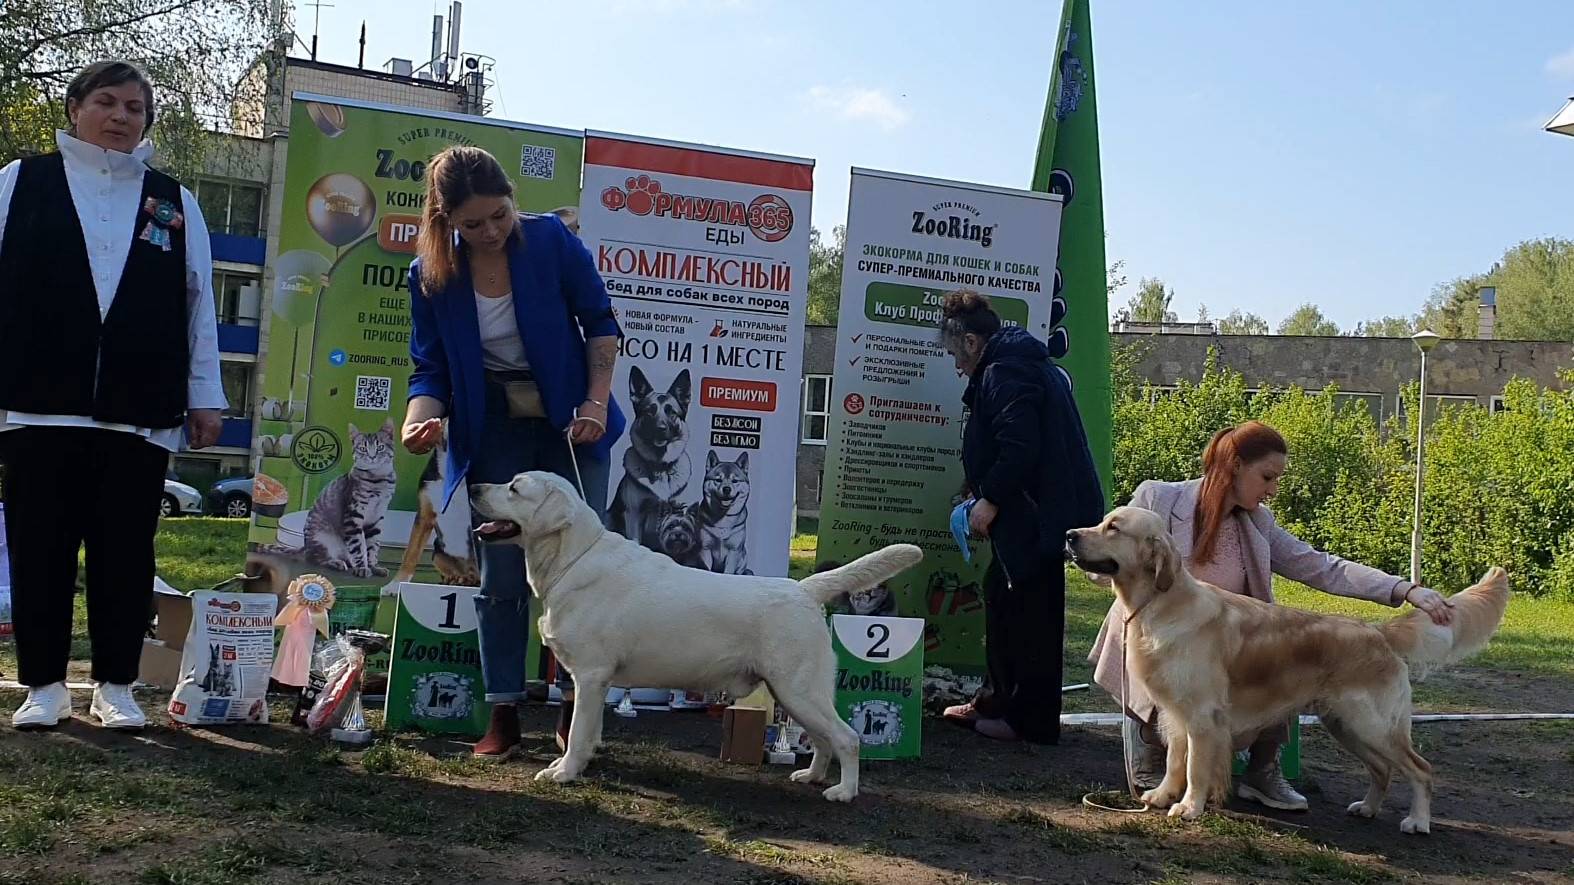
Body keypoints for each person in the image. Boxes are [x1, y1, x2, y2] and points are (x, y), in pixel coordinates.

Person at [0, 60, 226, 730]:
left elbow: (198, 306)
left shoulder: (174, 201)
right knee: (40, 549)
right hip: (37, 404)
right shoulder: (19, 181)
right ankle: (44, 685)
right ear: (75, 108)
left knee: (125, 553)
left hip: (138, 412)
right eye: (107, 101)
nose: (121, 116)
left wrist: (206, 396)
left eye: (135, 107)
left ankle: (116, 685)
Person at [1088, 420, 1456, 809]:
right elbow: (1108, 556)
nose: (1273, 489)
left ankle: (1261, 769)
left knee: (1278, 655)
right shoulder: (1159, 499)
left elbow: (1321, 566)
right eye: (1267, 476)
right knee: (1180, 702)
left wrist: (1404, 589)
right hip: (1151, 643)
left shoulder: (1258, 522)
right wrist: (1097, 561)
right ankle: (1154, 755)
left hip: (1224, 650)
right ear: (1234, 466)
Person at [402, 146, 624, 759]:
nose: (491, 231)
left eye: (499, 215)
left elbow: (600, 324)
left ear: (511, 202)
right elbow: (430, 367)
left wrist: (595, 404)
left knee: (584, 569)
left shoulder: (551, 240)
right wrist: (420, 420)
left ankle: (576, 710)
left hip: (572, 424)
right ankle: (502, 710)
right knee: (501, 575)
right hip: (494, 428)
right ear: (447, 220)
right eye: (473, 223)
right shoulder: (429, 274)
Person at [936, 290, 1105, 744]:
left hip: (1033, 516)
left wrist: (990, 497)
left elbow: (1021, 446)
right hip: (1037, 510)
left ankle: (1028, 721)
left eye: (955, 353)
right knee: (1004, 596)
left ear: (971, 342)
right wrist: (979, 487)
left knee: (1029, 614)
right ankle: (997, 701)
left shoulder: (1005, 371)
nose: (956, 365)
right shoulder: (1016, 364)